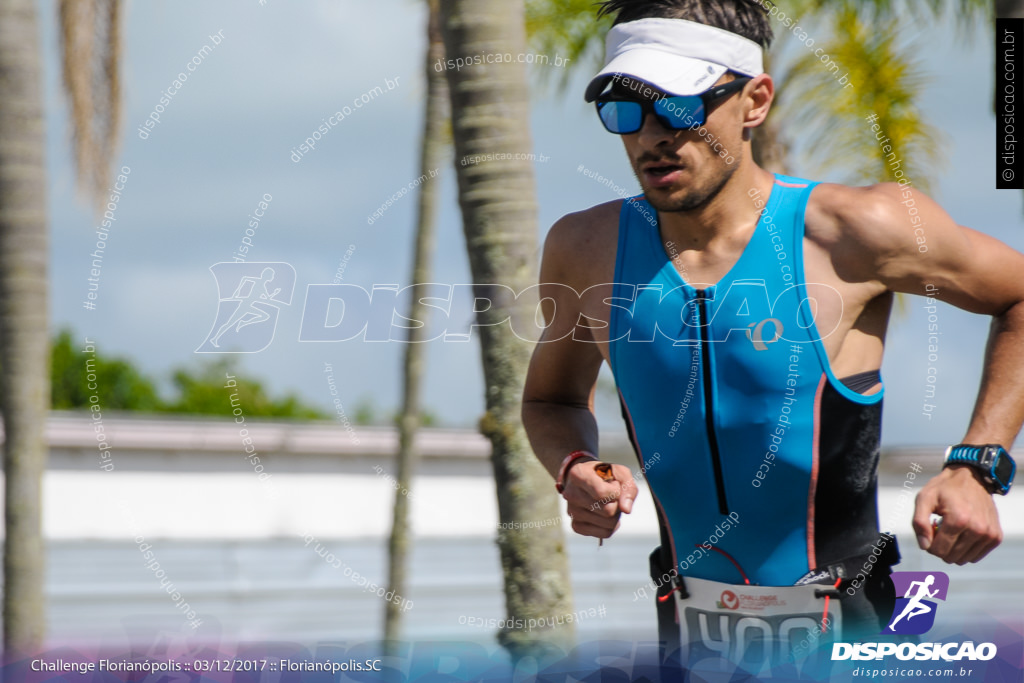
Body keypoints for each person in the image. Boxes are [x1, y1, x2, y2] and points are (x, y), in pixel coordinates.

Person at [520, 0, 1020, 661]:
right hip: (689, 651)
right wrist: (576, 466)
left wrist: (978, 465)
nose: (651, 137)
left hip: (850, 645)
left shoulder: (856, 232)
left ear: (754, 100)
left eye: (679, 107)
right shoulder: (585, 247)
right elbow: (549, 401)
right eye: (625, 110)